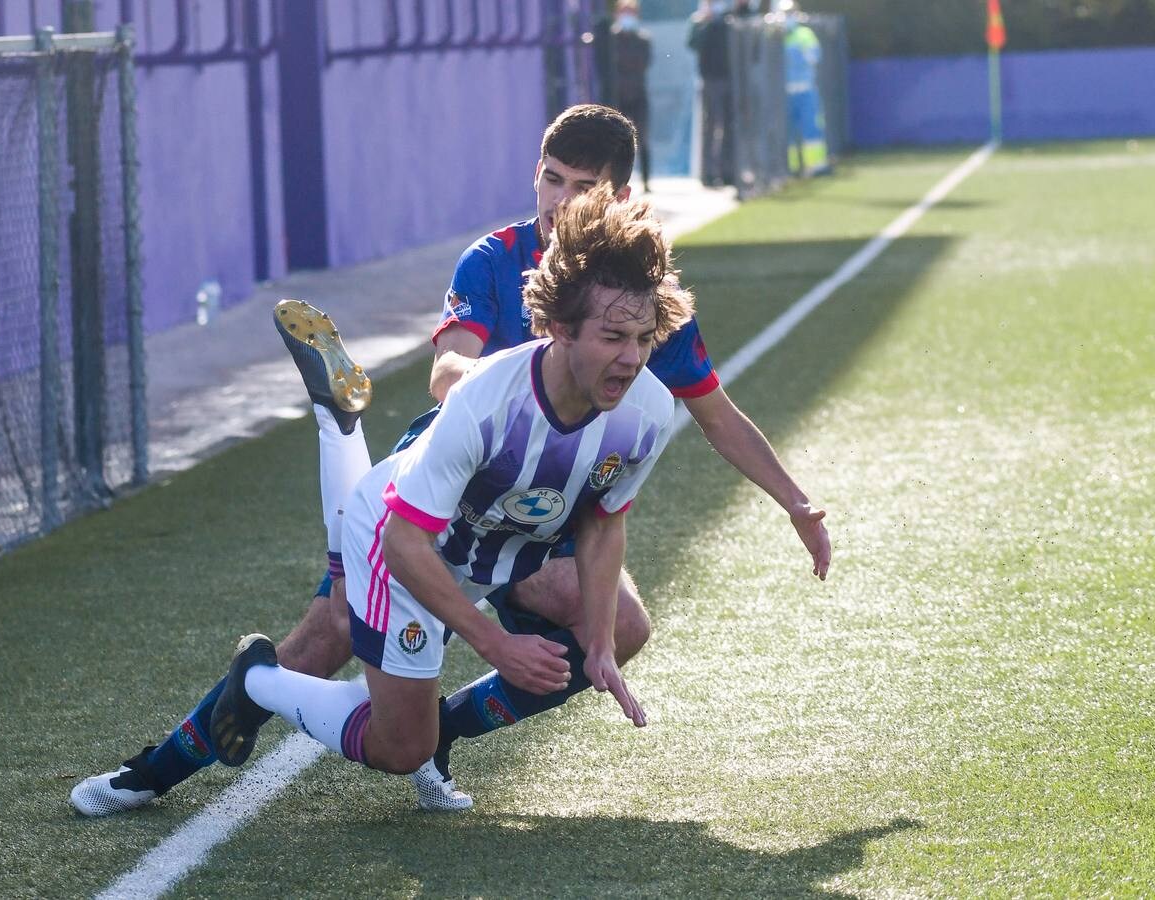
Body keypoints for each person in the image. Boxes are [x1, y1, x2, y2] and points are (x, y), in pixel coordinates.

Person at [70, 103, 831, 817]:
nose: (558, 200)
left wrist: (796, 502)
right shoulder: (497, 265)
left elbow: (708, 417)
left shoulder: (634, 298)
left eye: (582, 187)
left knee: (620, 626)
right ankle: (161, 766)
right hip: (454, 478)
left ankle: (443, 733)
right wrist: (522, 392)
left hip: (540, 501)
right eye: (550, 179)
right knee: (327, 635)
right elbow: (448, 375)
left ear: (618, 195)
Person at [206, 186, 694, 801]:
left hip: (472, 549)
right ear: (562, 328)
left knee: (372, 655)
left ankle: (340, 423)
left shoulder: (647, 409)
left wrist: (598, 641)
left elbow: (603, 520)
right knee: (398, 738)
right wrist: (495, 643)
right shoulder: (488, 395)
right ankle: (258, 679)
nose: (631, 359)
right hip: (402, 541)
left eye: (645, 339)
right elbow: (400, 537)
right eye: (614, 337)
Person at [778, 0, 831, 176]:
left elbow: (814, 57)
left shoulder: (804, 34)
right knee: (788, 133)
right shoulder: (776, 36)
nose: (788, 18)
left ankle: (816, 166)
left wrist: (800, 53)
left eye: (790, 14)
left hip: (806, 89)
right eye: (785, 14)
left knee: (811, 128)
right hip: (785, 92)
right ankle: (793, 168)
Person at [689, 0, 736, 188]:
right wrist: (706, 22)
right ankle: (708, 173)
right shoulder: (699, 22)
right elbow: (693, 43)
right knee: (711, 127)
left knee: (729, 126)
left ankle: (727, 171)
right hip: (710, 79)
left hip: (730, 79)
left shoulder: (729, 20)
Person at [610, 1, 653, 193]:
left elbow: (642, 63)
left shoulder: (642, 39)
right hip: (618, 96)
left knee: (642, 138)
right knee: (614, 141)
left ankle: (646, 180)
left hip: (638, 95)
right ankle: (613, 182)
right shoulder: (612, 39)